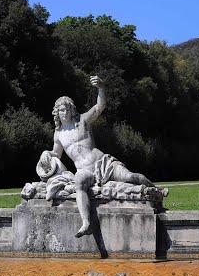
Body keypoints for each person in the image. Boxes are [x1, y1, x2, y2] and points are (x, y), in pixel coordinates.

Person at [47, 75, 159, 237]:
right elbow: (56, 154)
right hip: (84, 170)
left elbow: (100, 106)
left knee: (132, 177)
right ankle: (86, 223)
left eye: (66, 109)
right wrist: (46, 154)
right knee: (79, 183)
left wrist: (101, 88)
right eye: (60, 110)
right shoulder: (58, 134)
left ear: (72, 110)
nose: (63, 113)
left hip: (102, 163)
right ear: (56, 113)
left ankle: (155, 191)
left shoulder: (83, 121)